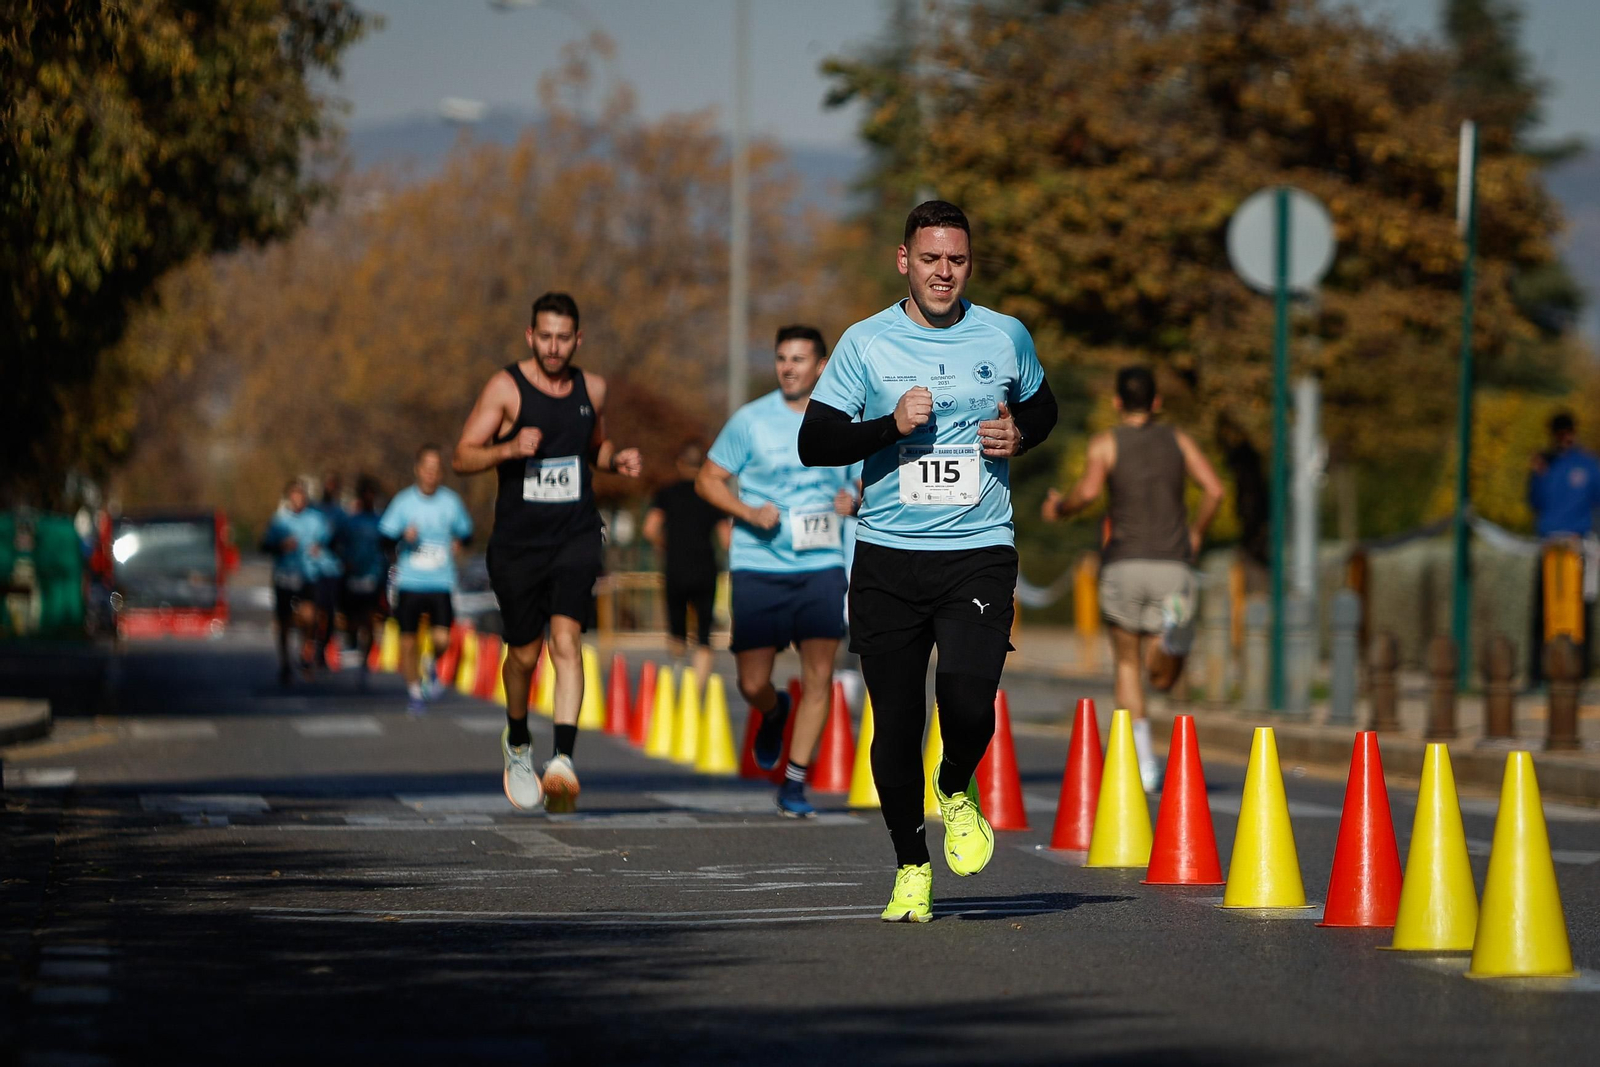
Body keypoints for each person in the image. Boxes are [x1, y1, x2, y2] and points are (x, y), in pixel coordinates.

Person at [797, 202, 1058, 921]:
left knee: (971, 697)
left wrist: (1019, 433)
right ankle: (912, 863)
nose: (945, 272)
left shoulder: (1004, 335)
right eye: (932, 259)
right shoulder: (865, 343)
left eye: (958, 260)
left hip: (979, 549)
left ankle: (954, 782)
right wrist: (889, 426)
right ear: (904, 260)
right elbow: (815, 442)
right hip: (887, 558)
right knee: (897, 719)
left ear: (969, 263)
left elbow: (1045, 406)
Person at [452, 291, 642, 812]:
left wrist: (614, 460)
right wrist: (509, 448)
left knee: (566, 639)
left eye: (564, 338)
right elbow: (462, 456)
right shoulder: (505, 388)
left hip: (575, 534)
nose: (554, 347)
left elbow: (592, 446)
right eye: (545, 337)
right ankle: (517, 739)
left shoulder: (592, 388)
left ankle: (563, 761)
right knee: (525, 655)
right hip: (517, 544)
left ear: (577, 339)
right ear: (530, 336)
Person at [698, 326, 861, 818]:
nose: (788, 367)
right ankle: (773, 711)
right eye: (781, 359)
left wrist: (854, 498)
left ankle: (794, 781)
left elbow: (868, 476)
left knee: (819, 675)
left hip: (820, 566)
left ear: (822, 365)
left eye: (799, 358)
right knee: (751, 682)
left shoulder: (843, 419)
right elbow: (708, 481)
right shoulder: (751, 420)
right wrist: (747, 513)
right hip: (759, 565)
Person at [1041, 365, 1223, 792]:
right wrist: (1197, 531)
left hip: (1124, 565)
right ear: (1156, 402)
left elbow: (1086, 493)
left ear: (1118, 402)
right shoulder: (1178, 440)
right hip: (1175, 567)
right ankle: (1169, 639)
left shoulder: (1106, 443)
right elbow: (1215, 489)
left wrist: (1059, 508)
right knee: (1165, 675)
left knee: (1127, 664)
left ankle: (1145, 765)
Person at [379, 446, 474, 714]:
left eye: (436, 468)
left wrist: (459, 541)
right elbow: (383, 538)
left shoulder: (451, 502)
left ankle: (430, 664)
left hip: (441, 581)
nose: (431, 473)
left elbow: (467, 534)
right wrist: (401, 536)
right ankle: (414, 692)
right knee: (407, 642)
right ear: (418, 469)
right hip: (410, 581)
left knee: (442, 639)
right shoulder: (403, 502)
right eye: (427, 467)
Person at [643, 442, 729, 687]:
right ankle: (699, 690)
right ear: (702, 466)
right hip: (705, 568)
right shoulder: (712, 494)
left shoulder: (666, 493)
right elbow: (726, 539)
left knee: (677, 628)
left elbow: (650, 529)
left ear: (680, 463)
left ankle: (679, 676)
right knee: (703, 634)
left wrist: (665, 544)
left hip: (675, 568)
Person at [1527, 411, 1600, 684]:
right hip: (1548, 546)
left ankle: (1577, 672)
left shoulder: (1588, 465)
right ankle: (1539, 674)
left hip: (1577, 546)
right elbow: (1534, 502)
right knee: (1544, 614)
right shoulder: (1545, 465)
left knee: (1579, 612)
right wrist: (1535, 475)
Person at [260, 480, 333, 685]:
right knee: (283, 622)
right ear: (289, 497)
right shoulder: (280, 521)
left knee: (309, 616)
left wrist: (321, 550)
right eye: (294, 495)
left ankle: (305, 652)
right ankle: (285, 663)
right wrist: (280, 545)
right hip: (285, 576)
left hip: (308, 575)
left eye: (302, 495)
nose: (298, 499)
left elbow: (331, 543)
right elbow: (264, 546)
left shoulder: (317, 520)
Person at [340, 476, 387, 678]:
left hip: (373, 577)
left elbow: (388, 546)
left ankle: (365, 658)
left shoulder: (381, 522)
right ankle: (351, 638)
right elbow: (338, 545)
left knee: (370, 620)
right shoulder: (350, 522)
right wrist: (345, 562)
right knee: (352, 620)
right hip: (352, 577)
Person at [310, 472, 347, 669]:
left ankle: (322, 648)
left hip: (332, 570)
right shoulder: (314, 510)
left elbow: (345, 539)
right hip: (313, 570)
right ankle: (312, 646)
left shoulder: (340, 513)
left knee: (330, 613)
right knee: (314, 612)